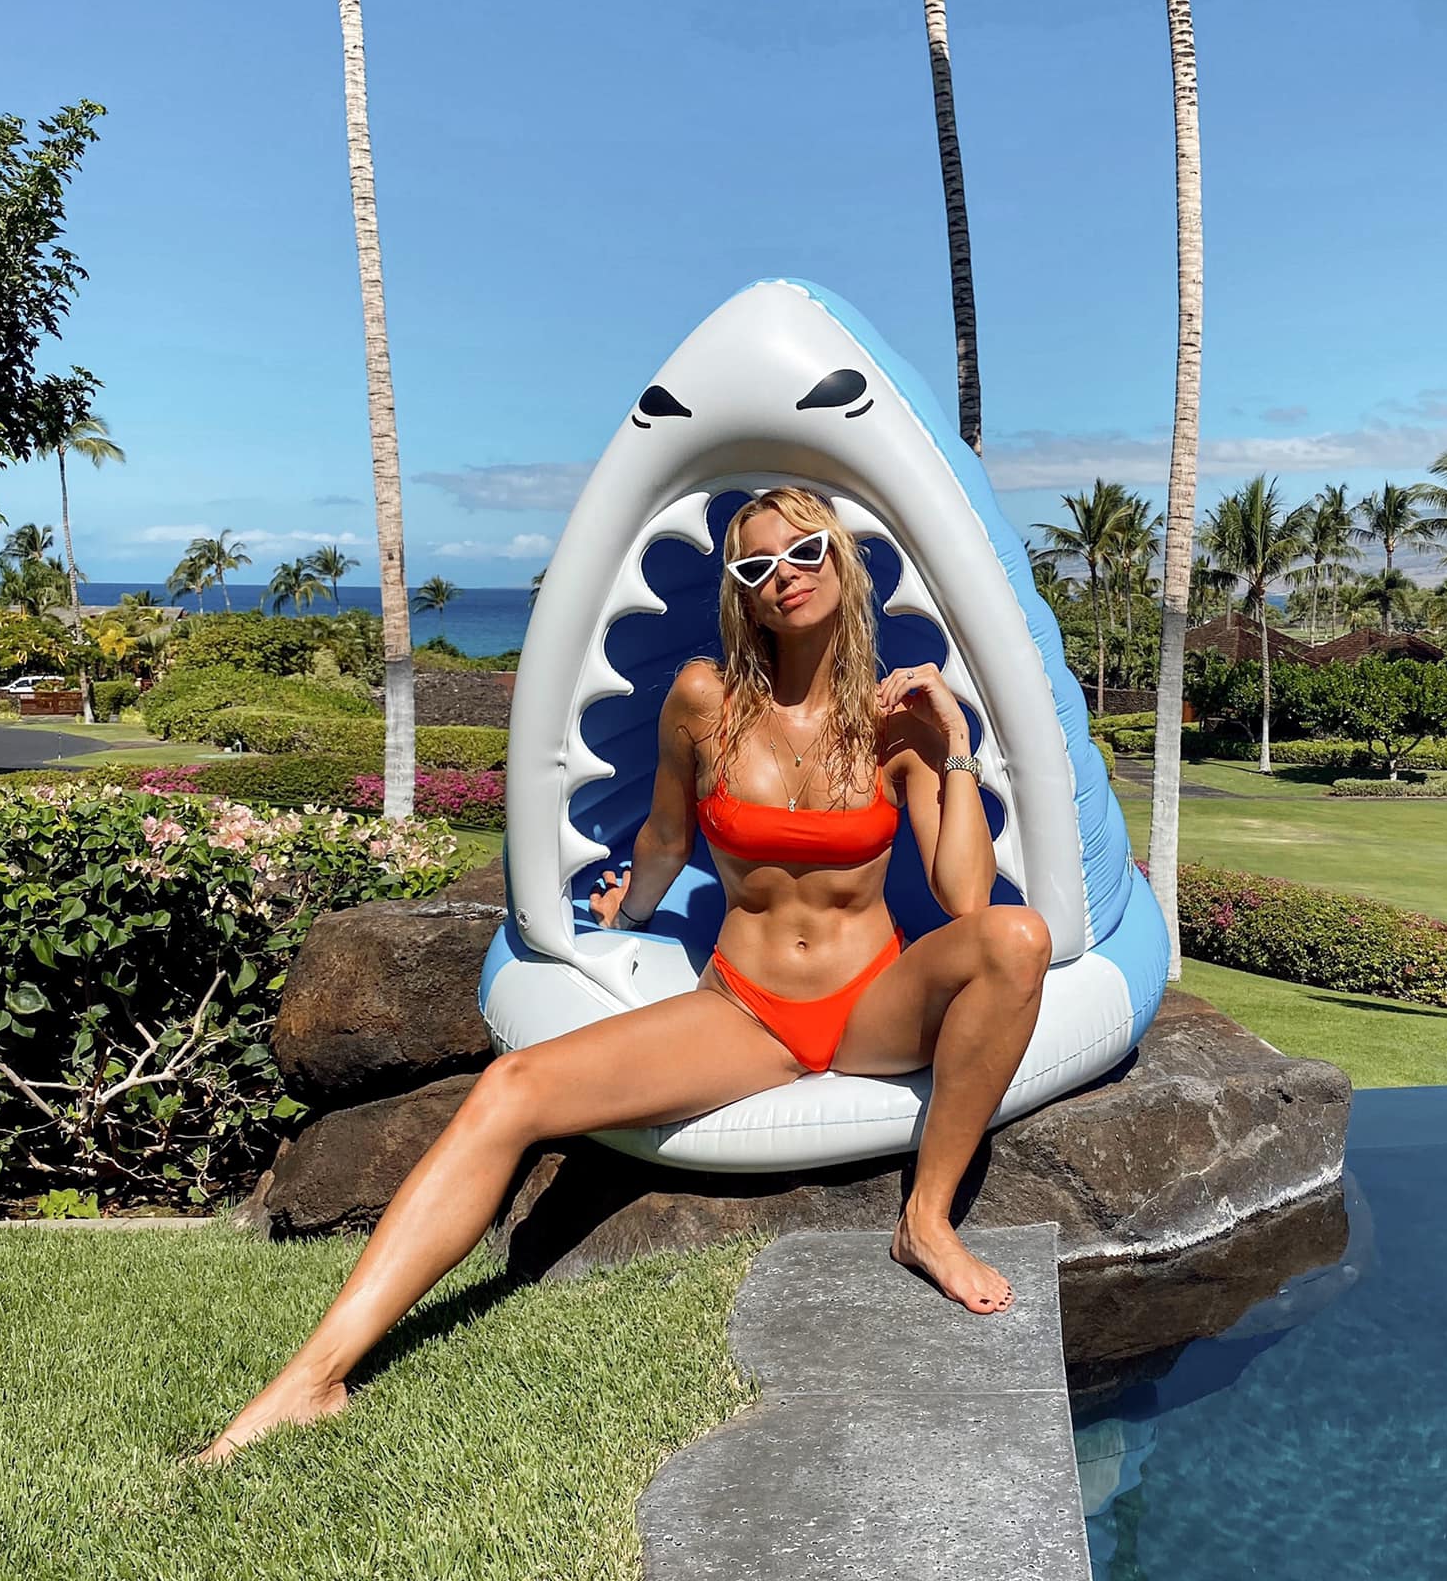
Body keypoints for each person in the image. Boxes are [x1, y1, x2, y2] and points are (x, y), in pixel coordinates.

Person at [199, 486, 1052, 1462]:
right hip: (750, 1011)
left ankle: (926, 1218)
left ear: (842, 559)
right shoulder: (704, 700)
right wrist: (628, 912)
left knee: (1018, 938)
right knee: (512, 1087)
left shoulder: (896, 722)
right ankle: (314, 1377)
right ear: (740, 592)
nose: (785, 575)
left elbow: (966, 898)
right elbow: (665, 834)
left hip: (873, 1007)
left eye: (806, 550)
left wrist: (955, 747)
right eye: (757, 564)